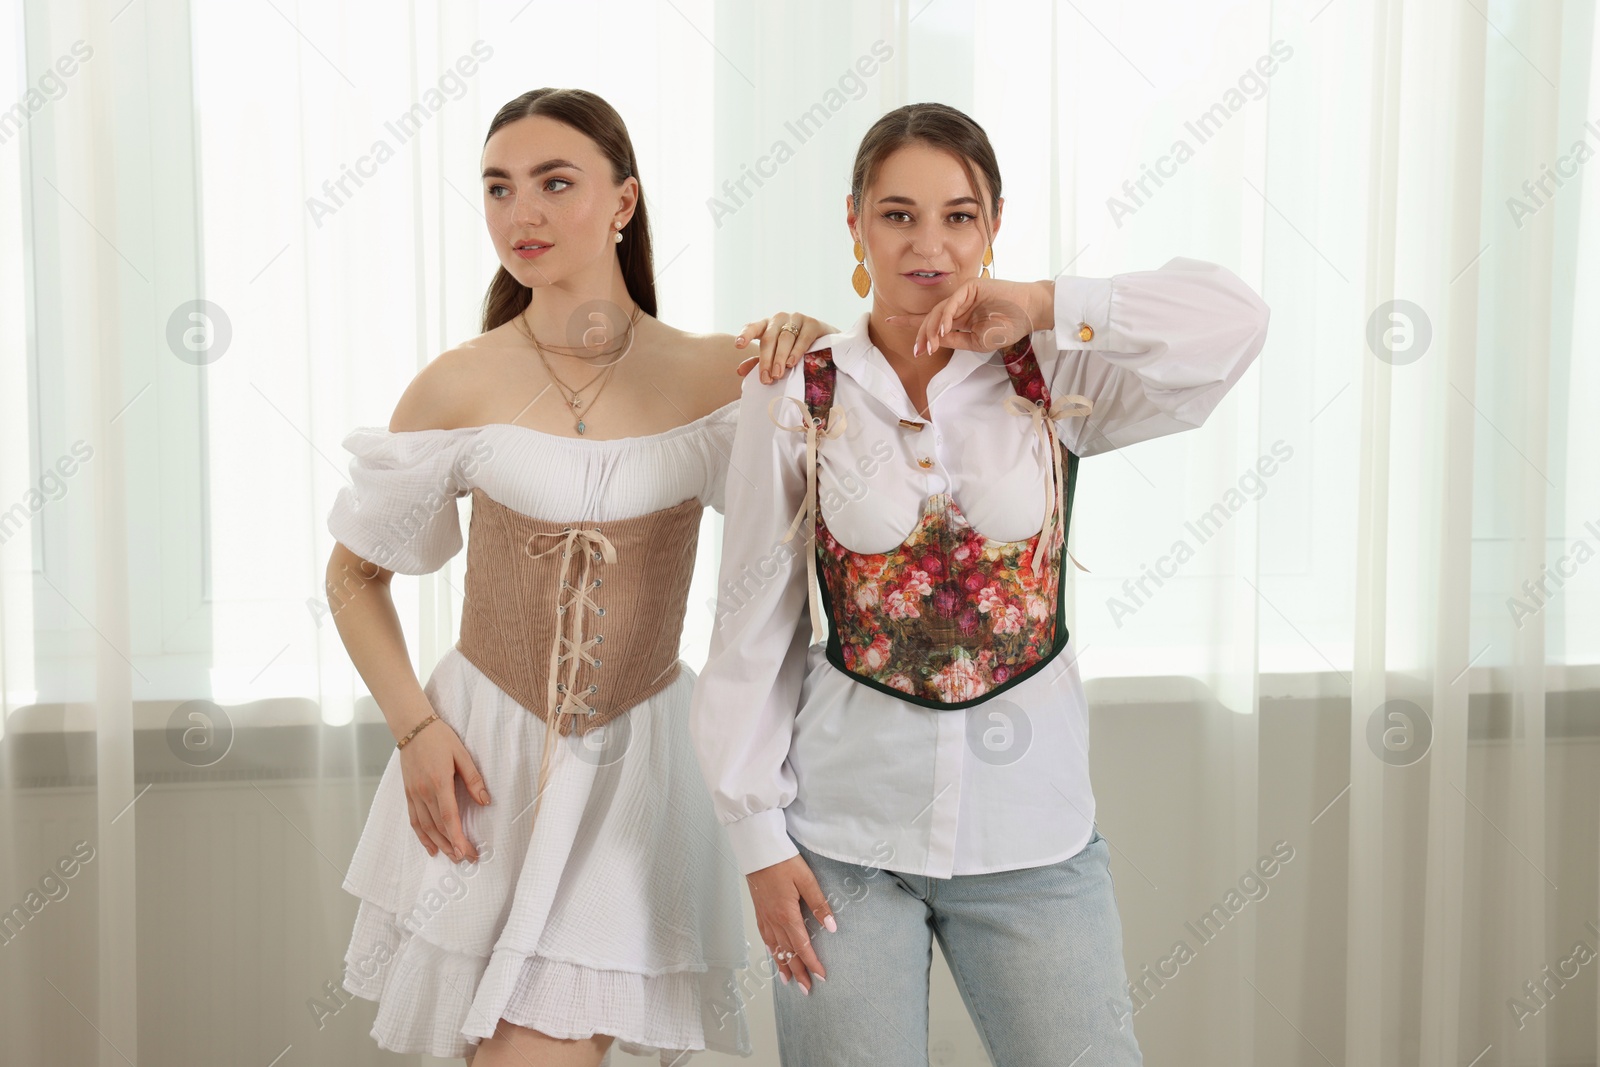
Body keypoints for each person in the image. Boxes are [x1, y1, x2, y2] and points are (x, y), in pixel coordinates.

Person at [690, 101, 1270, 1067]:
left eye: (960, 215)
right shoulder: (799, 387)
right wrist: (756, 838)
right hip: (842, 841)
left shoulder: (1056, 373)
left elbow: (1237, 321)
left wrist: (1043, 301)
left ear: (994, 222)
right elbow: (752, 623)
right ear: (854, 223)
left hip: (1033, 838)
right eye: (898, 214)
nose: (930, 244)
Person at [325, 87, 833, 1067]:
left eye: (556, 183)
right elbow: (353, 578)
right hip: (483, 759)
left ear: (623, 203)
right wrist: (417, 730)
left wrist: (811, 356)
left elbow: (840, 521)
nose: (524, 213)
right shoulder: (456, 382)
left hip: (636, 767)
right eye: (499, 188)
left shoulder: (720, 372)